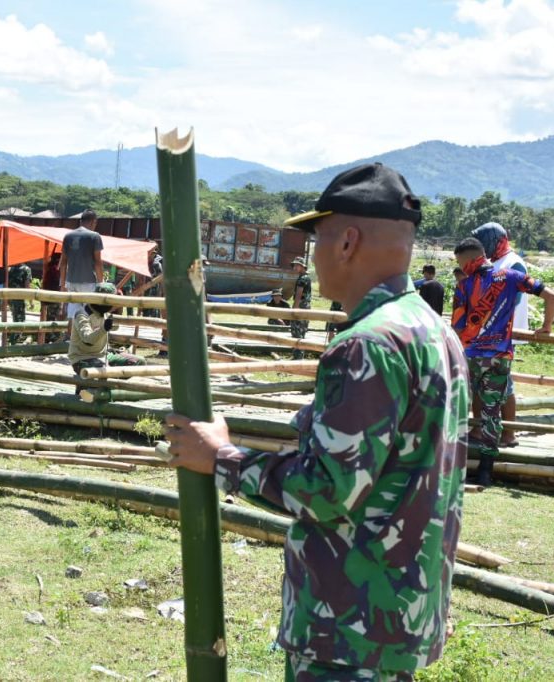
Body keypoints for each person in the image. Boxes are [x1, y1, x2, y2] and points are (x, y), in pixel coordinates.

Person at [165, 163, 468, 681]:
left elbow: (326, 491)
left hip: (348, 629)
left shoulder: (366, 344)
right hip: (400, 617)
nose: (314, 255)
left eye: (317, 240)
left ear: (347, 242)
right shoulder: (433, 331)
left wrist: (219, 458)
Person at [452, 237, 554, 486]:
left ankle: (453, 463)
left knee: (457, 407)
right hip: (499, 358)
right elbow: (551, 296)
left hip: (469, 357)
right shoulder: (512, 277)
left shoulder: (464, 286)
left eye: (460, 262)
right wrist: (547, 326)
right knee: (491, 413)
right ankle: (486, 471)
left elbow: (457, 327)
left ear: (469, 261)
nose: (461, 266)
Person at [471, 223, 529, 447]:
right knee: (479, 382)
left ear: (497, 241)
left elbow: (511, 300)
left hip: (503, 335)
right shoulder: (495, 262)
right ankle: (478, 430)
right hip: (487, 334)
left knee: (505, 385)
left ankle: (509, 434)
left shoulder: (514, 263)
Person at [69, 282, 143, 393]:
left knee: (138, 362)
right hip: (82, 358)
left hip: (103, 356)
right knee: (103, 369)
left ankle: (98, 384)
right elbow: (88, 339)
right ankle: (90, 384)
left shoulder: (104, 313)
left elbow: (115, 327)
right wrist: (104, 328)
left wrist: (119, 308)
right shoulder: (82, 314)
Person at [59, 209, 104, 319]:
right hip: (88, 283)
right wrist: (100, 284)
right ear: (93, 222)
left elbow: (63, 263)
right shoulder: (95, 236)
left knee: (72, 314)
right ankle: (86, 336)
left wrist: (63, 285)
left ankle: (70, 336)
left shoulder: (68, 236)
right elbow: (98, 263)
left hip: (71, 282)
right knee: (89, 315)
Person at [289, 256, 312, 359]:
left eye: (297, 265)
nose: (295, 268)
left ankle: (297, 356)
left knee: (296, 331)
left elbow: (298, 296)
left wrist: (294, 310)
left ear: (302, 266)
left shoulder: (301, 279)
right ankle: (299, 356)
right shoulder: (307, 277)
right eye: (294, 265)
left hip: (300, 306)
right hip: (306, 307)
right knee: (302, 331)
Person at [7, 261, 33, 345]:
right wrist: (31, 301)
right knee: (20, 320)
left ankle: (14, 339)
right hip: (19, 298)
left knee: (15, 318)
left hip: (11, 297)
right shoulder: (26, 269)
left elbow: (7, 284)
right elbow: (27, 286)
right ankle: (14, 341)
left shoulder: (10, 269)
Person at [41, 252, 64, 342]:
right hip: (53, 298)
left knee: (49, 318)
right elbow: (59, 283)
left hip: (48, 297)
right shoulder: (55, 270)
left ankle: (48, 337)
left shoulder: (49, 268)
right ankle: (51, 338)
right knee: (52, 319)